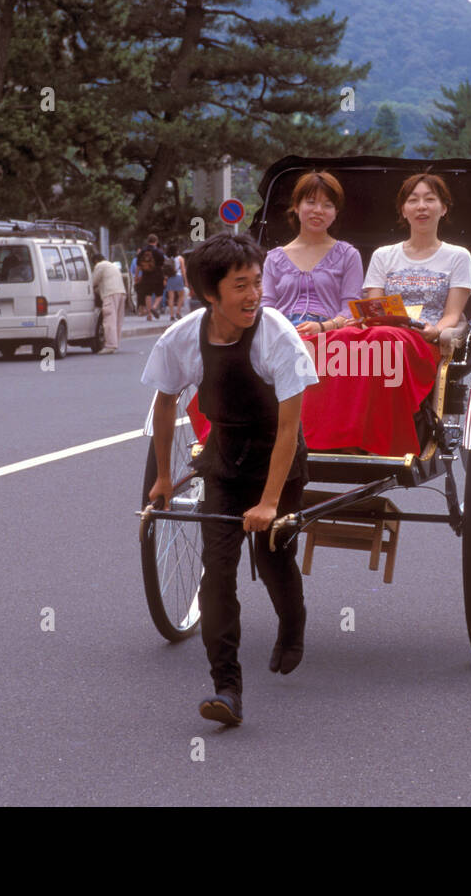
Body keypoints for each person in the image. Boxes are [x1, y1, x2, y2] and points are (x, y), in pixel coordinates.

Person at [142, 232, 318, 727]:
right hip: (223, 459)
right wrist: (162, 477)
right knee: (216, 574)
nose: (253, 295)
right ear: (210, 294)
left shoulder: (277, 334)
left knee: (271, 554)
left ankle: (293, 623)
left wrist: (267, 504)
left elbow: (289, 427)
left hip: (276, 459)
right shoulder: (182, 337)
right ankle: (227, 688)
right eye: (240, 286)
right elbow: (165, 401)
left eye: (257, 283)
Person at [299, 172, 471, 457]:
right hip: (382, 331)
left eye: (430, 200)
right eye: (413, 200)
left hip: (422, 340)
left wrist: (436, 331)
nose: (421, 207)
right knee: (333, 342)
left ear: (444, 208)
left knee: (382, 341)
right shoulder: (384, 255)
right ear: (403, 209)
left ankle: (376, 439)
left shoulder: (457, 256)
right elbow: (373, 307)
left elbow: (453, 314)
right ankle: (323, 435)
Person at [261, 170, 362, 334]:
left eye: (327, 205)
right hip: (283, 335)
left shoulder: (349, 255)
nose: (318, 210)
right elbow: (266, 308)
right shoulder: (273, 258)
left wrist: (323, 327)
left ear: (335, 213)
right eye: (311, 202)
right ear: (296, 206)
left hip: (331, 337)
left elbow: (351, 309)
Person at [91, 251, 127, 353]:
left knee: (109, 319)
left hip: (110, 293)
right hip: (121, 292)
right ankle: (115, 343)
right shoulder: (112, 265)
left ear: (96, 261)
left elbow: (93, 282)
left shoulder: (100, 265)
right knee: (117, 320)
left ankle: (110, 345)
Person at [136, 234, 168, 321]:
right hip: (158, 275)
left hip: (146, 275)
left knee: (148, 294)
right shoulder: (159, 252)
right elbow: (163, 266)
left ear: (148, 241)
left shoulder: (142, 252)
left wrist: (137, 277)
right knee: (160, 294)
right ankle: (154, 307)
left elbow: (138, 266)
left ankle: (149, 315)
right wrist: (165, 277)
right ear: (156, 241)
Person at [164, 243, 188, 321]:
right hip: (178, 277)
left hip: (170, 278)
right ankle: (178, 312)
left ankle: (171, 315)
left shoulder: (167, 258)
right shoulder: (180, 258)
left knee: (171, 297)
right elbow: (183, 270)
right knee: (181, 295)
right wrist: (186, 281)